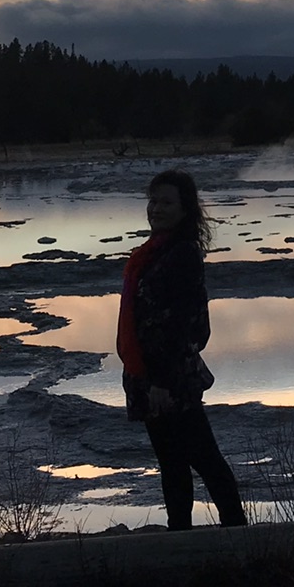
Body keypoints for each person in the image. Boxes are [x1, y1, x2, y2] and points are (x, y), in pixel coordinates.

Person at [117, 168, 247, 529]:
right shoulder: (151, 253)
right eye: (153, 201)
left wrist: (161, 380)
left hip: (170, 378)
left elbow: (182, 324)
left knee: (204, 458)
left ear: (185, 209)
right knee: (172, 462)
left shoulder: (183, 254)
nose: (156, 208)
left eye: (167, 202)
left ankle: (238, 534)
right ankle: (181, 539)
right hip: (147, 375)